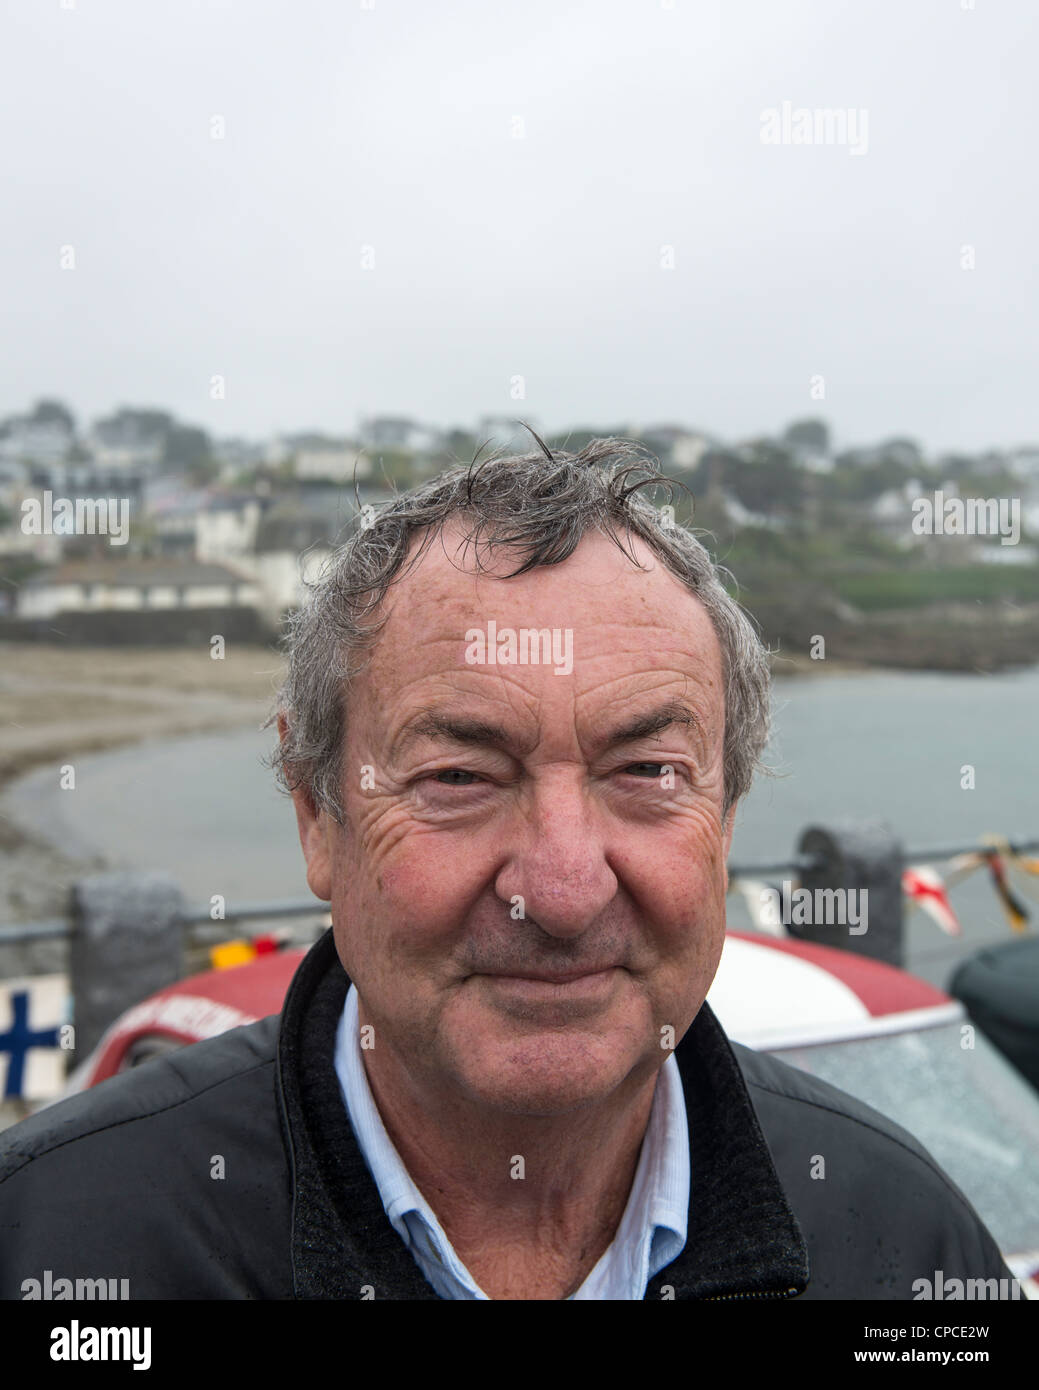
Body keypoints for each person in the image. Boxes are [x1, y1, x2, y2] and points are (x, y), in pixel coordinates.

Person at [0, 436, 1015, 1300]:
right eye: (458, 775)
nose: (563, 891)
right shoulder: (55, 1245)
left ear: (727, 811)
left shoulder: (905, 1242)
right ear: (318, 810)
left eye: (648, 771)